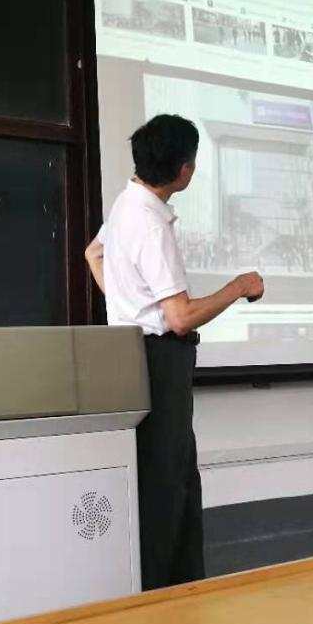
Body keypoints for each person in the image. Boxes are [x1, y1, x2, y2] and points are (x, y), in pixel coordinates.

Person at [85, 114, 264, 590]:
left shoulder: (127, 203)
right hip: (159, 360)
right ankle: (165, 599)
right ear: (184, 170)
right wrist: (239, 286)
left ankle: (178, 592)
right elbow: (180, 317)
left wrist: (125, 304)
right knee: (167, 485)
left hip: (132, 354)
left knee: (170, 477)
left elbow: (92, 254)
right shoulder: (150, 224)